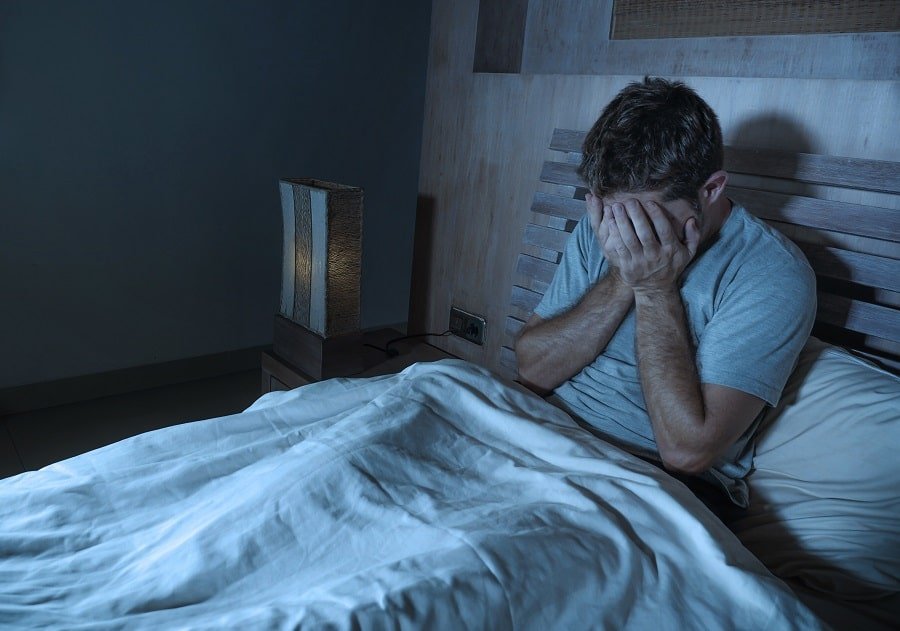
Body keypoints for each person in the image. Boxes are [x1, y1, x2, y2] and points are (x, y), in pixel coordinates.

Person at [515, 77, 816, 509]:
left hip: (651, 479)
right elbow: (531, 368)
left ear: (711, 189)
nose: (623, 231)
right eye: (614, 214)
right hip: (542, 430)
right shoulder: (606, 222)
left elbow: (686, 452)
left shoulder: (772, 273)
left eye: (646, 217)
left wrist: (655, 289)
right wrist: (625, 275)